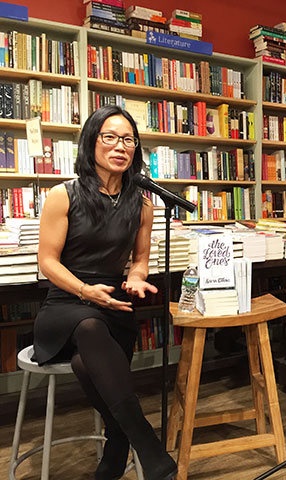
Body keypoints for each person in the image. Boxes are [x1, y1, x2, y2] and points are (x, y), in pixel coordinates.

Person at [33, 105, 177, 480]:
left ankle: (117, 440)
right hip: (65, 304)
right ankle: (147, 444)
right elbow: (47, 262)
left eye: (128, 139)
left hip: (113, 300)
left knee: (87, 359)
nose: (120, 146)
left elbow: (140, 260)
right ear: (91, 143)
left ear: (136, 149)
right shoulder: (63, 196)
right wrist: (84, 290)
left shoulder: (141, 203)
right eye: (109, 137)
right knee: (88, 329)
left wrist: (137, 277)